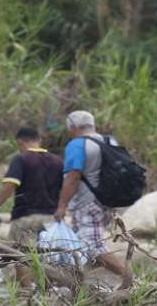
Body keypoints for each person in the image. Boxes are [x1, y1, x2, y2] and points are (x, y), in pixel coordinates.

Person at [54, 110, 134, 289]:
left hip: (87, 203)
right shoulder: (109, 141)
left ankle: (131, 280)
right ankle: (86, 287)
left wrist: (61, 206)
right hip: (107, 201)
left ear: (72, 127)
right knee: (82, 245)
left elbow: (73, 177)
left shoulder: (77, 145)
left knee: (93, 247)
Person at [0, 127, 63, 285]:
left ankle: (26, 292)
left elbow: (10, 185)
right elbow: (65, 187)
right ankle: (47, 290)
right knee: (46, 255)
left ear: (20, 142)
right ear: (39, 140)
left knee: (20, 255)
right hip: (51, 218)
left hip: (26, 216)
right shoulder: (57, 161)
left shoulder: (21, 158)